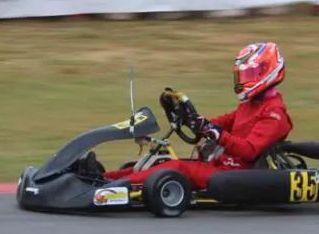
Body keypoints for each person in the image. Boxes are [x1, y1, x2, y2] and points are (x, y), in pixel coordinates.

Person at [104, 42, 293, 190]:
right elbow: (226, 122)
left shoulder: (274, 114)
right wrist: (197, 122)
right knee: (164, 162)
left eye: (251, 74)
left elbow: (249, 149)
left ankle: (113, 188)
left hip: (238, 174)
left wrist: (216, 133)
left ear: (268, 72)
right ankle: (105, 178)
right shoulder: (252, 105)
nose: (244, 80)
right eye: (243, 75)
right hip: (221, 165)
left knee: (178, 168)